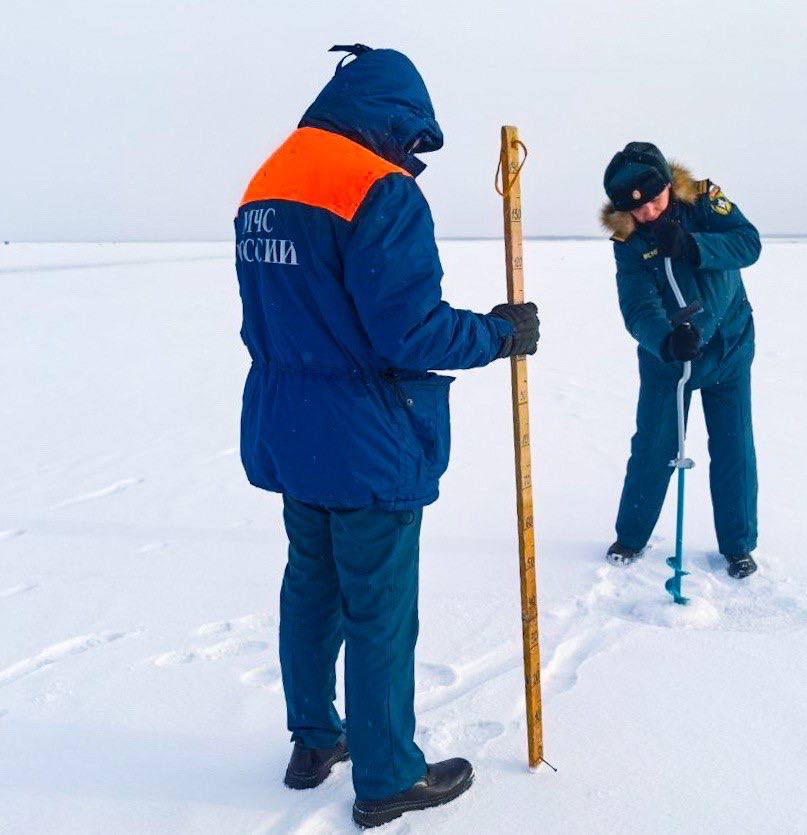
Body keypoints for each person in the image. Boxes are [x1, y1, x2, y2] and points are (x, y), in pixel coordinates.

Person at [234, 45, 539, 828]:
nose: (413, 157)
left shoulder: (267, 181)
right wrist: (499, 334)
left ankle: (314, 741)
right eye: (412, 141)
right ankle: (387, 775)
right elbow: (410, 332)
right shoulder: (377, 189)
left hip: (290, 428)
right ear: (393, 118)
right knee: (378, 608)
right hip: (367, 437)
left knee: (312, 588)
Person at [599, 141, 761, 580]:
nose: (649, 212)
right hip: (670, 359)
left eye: (655, 200)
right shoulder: (627, 238)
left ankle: (738, 546)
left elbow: (748, 244)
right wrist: (666, 341)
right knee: (655, 445)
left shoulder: (704, 201)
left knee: (733, 446)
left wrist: (694, 245)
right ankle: (631, 536)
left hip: (729, 346)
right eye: (638, 208)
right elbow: (637, 304)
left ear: (669, 186)